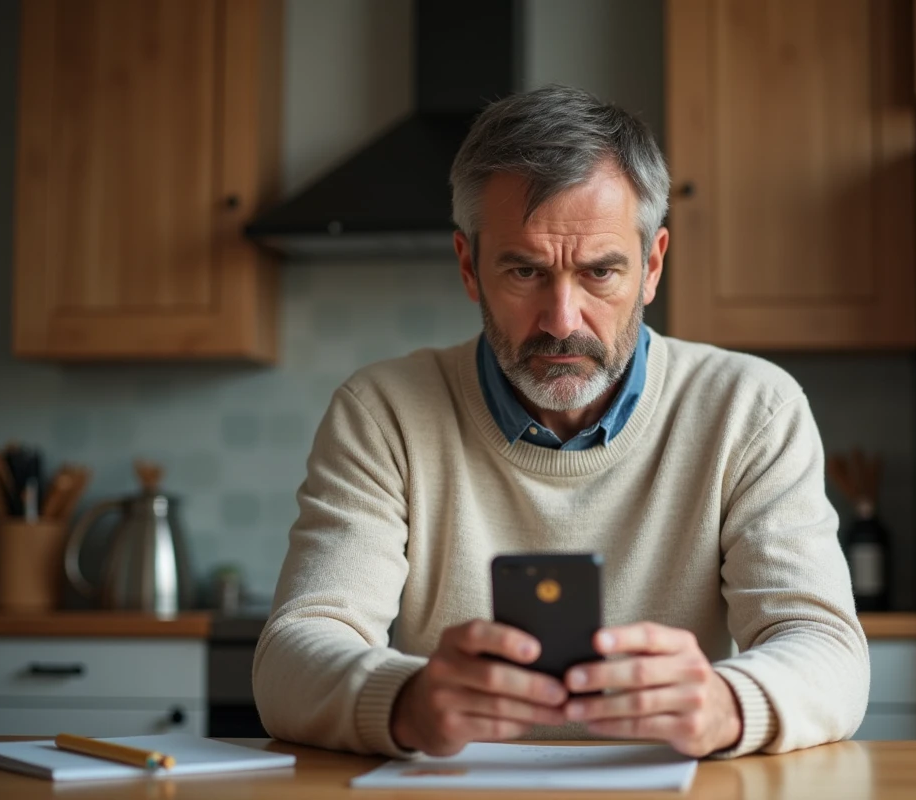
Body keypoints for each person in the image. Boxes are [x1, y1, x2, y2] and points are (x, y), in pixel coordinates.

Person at [253, 85, 869, 761]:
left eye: (601, 272)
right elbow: (290, 656)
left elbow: (827, 648)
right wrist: (406, 702)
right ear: (469, 266)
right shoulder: (383, 413)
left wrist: (728, 705)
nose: (562, 320)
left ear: (653, 264)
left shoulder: (753, 408)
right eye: (524, 270)